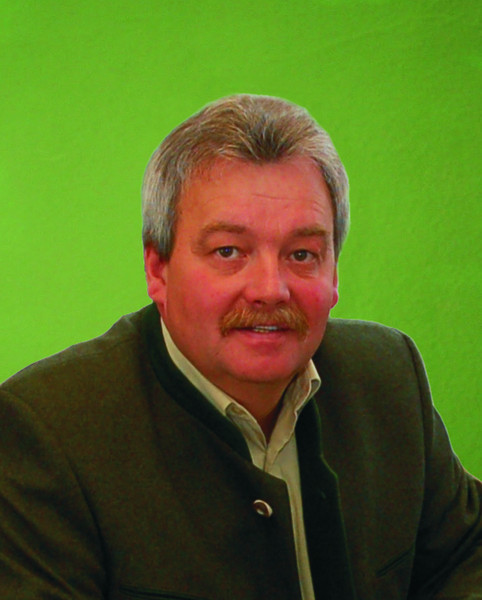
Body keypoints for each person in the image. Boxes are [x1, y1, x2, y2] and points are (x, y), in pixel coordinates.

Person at [0, 94, 480, 600]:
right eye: (229, 251)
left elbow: (467, 558)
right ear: (157, 270)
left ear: (334, 272)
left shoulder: (387, 375)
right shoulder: (45, 432)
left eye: (302, 254)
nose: (270, 289)